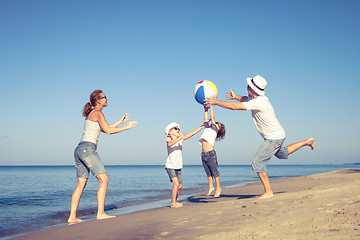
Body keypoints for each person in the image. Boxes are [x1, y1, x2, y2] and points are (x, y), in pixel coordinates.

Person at [205, 75, 314, 199]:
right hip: (278, 135)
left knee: (258, 162)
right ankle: (307, 142)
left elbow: (234, 106)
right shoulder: (260, 99)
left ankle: (268, 192)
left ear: (252, 89)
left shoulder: (258, 102)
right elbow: (245, 99)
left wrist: (215, 102)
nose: (247, 88)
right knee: (282, 154)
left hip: (274, 137)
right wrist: (236, 96)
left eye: (248, 87)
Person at [68, 90, 137, 223]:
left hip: (79, 149)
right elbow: (108, 131)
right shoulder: (98, 113)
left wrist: (120, 122)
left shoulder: (91, 113)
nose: (107, 99)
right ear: (98, 100)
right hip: (88, 149)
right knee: (104, 180)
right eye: (105, 97)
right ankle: (100, 213)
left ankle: (72, 217)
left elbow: (105, 128)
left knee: (80, 184)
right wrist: (126, 128)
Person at [165, 122, 205, 208]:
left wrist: (202, 126)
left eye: (178, 128)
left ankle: (175, 201)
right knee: (176, 184)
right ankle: (173, 203)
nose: (178, 130)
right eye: (175, 128)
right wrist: (180, 138)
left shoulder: (180, 139)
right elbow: (169, 144)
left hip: (178, 166)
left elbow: (192, 133)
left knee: (180, 186)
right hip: (170, 166)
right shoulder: (168, 138)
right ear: (169, 132)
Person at [199, 105, 225, 197]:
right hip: (203, 154)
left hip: (210, 154)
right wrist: (205, 109)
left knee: (215, 172)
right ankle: (211, 187)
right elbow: (206, 119)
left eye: (218, 124)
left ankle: (218, 188)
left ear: (219, 129)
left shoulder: (214, 130)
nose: (215, 123)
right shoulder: (207, 128)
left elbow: (212, 118)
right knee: (208, 173)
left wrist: (211, 106)